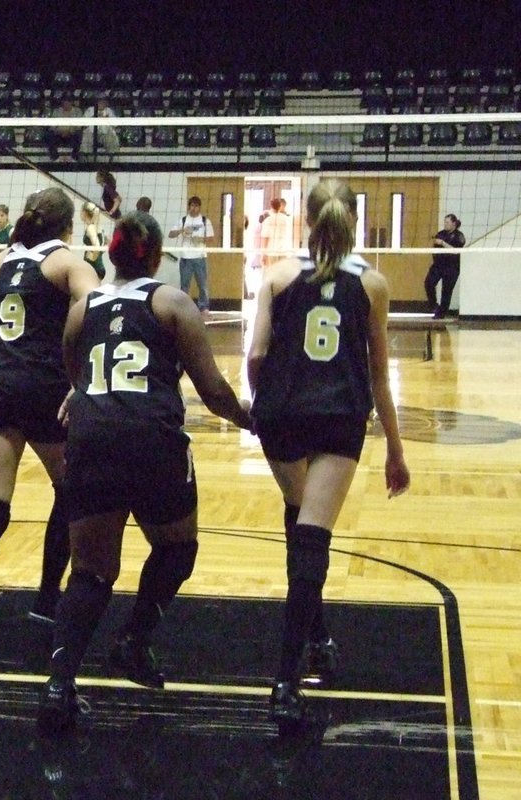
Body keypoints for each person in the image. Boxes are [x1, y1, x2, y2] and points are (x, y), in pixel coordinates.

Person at [37, 212, 252, 734]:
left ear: (110, 255)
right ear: (155, 256)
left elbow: (74, 369)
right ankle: (134, 640)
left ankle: (58, 686)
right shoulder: (171, 302)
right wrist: (257, 423)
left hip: (91, 441)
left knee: (89, 572)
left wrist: (88, 395)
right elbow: (213, 390)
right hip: (152, 441)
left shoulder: (82, 308)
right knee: (177, 548)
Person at [246, 179, 410, 728]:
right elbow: (379, 376)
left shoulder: (277, 276)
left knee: (300, 524)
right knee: (312, 539)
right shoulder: (373, 284)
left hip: (281, 417)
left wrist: (261, 409)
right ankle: (285, 681)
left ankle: (318, 636)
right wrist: (395, 448)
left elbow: (257, 356)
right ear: (351, 222)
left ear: (306, 222)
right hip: (338, 416)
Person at [0, 187, 101, 669]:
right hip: (46, 387)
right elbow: (95, 310)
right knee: (69, 490)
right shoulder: (67, 264)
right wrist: (83, 373)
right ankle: (47, 602)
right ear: (66, 227)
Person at [167, 196, 215, 313]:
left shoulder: (205, 221)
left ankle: (204, 307)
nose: (194, 208)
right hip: (185, 257)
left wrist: (200, 239)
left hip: (200, 257)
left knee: (202, 285)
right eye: (192, 206)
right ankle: (184, 307)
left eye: (196, 206)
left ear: (199, 207)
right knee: (184, 285)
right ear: (189, 207)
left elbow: (211, 238)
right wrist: (181, 230)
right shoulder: (183, 220)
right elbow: (170, 234)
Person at [424, 213, 465, 319]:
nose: (445, 224)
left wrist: (442, 243)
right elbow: (435, 249)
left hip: (452, 267)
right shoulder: (440, 234)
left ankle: (441, 314)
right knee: (428, 283)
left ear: (454, 223)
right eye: (444, 222)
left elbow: (456, 251)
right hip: (439, 265)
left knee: (446, 291)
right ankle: (433, 305)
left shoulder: (459, 236)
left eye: (447, 222)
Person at [260, 198, 294, 265]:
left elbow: (265, 238)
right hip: (284, 251)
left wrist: (263, 255)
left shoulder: (268, 220)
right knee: (283, 274)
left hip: (272, 252)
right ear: (280, 206)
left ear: (271, 206)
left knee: (273, 273)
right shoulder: (287, 219)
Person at [80, 202, 105, 279]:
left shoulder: (91, 228)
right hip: (97, 267)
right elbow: (104, 245)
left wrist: (92, 257)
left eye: (81, 211)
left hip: (93, 267)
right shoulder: (98, 227)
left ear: (84, 213)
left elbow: (97, 247)